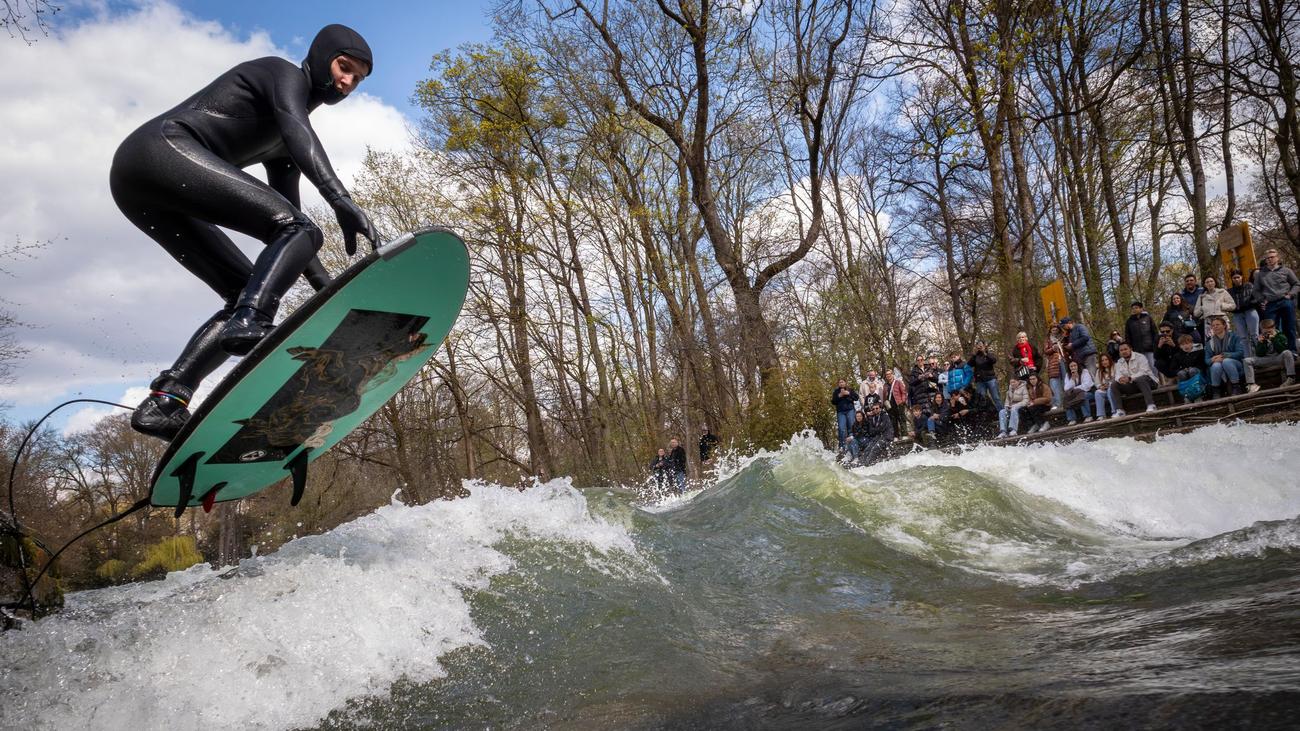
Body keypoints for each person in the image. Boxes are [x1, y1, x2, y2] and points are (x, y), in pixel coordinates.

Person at [113, 24, 378, 440]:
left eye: (357, 80)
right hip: (157, 151)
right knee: (292, 240)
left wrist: (328, 292)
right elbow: (297, 128)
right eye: (344, 67)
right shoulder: (281, 73)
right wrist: (341, 200)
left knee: (246, 287)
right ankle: (251, 322)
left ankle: (167, 400)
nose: (347, 82)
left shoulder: (286, 143)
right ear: (321, 56)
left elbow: (289, 221)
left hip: (141, 190)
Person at [1254, 249, 1300, 352]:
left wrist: (1291, 294)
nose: (1270, 259)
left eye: (1272, 257)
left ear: (1277, 258)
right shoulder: (1260, 274)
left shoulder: (1286, 270)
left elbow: (1296, 284)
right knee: (1270, 330)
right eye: (1267, 258)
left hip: (1285, 301)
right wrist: (1262, 300)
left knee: (1289, 327)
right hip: (1270, 304)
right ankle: (1279, 351)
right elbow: (1256, 291)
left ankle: (1292, 351)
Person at [1245, 318, 1297, 393]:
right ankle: (1251, 384)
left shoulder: (1280, 335)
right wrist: (1261, 343)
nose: (1267, 333)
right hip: (1266, 359)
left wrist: (1274, 339)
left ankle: (1291, 377)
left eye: (1269, 331)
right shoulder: (1261, 338)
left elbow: (1282, 350)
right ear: (1262, 330)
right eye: (1265, 331)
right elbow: (1259, 354)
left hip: (1278, 358)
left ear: (1273, 328)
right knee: (1247, 360)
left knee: (1288, 352)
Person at [1109, 342, 1158, 416]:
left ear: (1130, 349)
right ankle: (1120, 411)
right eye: (1121, 350)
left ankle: (1151, 405)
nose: (1124, 351)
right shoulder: (1119, 362)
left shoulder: (1140, 357)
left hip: (1149, 383)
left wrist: (1130, 378)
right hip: (1133, 386)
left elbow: (1144, 371)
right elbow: (1117, 375)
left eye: (1125, 349)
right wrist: (1120, 379)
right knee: (1114, 384)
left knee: (1140, 378)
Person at [1204, 316, 1245, 397]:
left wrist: (1225, 356)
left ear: (1224, 325)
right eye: (1213, 325)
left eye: (1217, 324)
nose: (1215, 327)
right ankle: (1216, 391)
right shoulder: (1210, 342)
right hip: (1218, 366)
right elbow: (1207, 360)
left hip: (1235, 364)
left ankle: (1236, 387)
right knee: (1215, 365)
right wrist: (1213, 359)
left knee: (1226, 361)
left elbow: (1240, 353)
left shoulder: (1234, 337)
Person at [1061, 316, 1100, 385]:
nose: (1063, 327)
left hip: (1088, 354)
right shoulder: (1070, 333)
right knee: (1085, 377)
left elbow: (1085, 337)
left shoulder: (1080, 327)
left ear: (1069, 323)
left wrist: (1073, 344)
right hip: (1080, 357)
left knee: (1092, 374)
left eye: (1064, 325)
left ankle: (1098, 390)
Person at [1170, 334, 1209, 404]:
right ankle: (1187, 396)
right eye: (1182, 344)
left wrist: (1194, 367)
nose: (1185, 346)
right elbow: (1173, 369)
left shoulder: (1199, 352)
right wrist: (1181, 369)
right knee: (1181, 373)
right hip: (1185, 374)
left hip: (1198, 373)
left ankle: (1198, 395)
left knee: (1192, 371)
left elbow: (1203, 364)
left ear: (1192, 343)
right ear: (1180, 346)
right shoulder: (1177, 355)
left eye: (1187, 343)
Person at [1227, 269, 1262, 345]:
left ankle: (1260, 353)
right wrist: (1233, 308)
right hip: (1237, 314)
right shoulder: (1229, 291)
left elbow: (1257, 298)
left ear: (1241, 277)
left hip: (1250, 311)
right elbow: (1227, 304)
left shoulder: (1249, 286)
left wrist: (1248, 304)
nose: (1236, 279)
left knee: (1255, 335)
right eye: (1234, 278)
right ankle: (1247, 356)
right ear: (1232, 279)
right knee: (1243, 337)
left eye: (1238, 277)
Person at [1125, 301, 1159, 372]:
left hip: (1149, 348)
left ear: (1141, 309)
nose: (1134, 310)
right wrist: (1130, 348)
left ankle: (1156, 381)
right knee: (1141, 368)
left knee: (1152, 366)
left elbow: (1155, 332)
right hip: (1136, 349)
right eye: (1133, 308)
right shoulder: (1129, 321)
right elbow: (1127, 336)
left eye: (1136, 308)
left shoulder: (1148, 318)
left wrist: (1155, 344)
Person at [968, 341, 1001, 410]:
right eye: (978, 345)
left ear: (984, 346)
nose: (979, 347)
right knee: (982, 399)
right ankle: (988, 416)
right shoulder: (975, 356)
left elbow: (993, 360)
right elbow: (969, 364)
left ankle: (1002, 414)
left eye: (981, 345)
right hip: (980, 381)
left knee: (996, 397)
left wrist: (985, 353)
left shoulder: (989, 354)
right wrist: (974, 354)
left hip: (990, 379)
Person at [1060, 360, 1094, 425]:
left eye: (1074, 365)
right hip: (1075, 394)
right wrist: (1072, 379)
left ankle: (1088, 416)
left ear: (1078, 365)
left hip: (1089, 392)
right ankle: (1072, 418)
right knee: (1066, 397)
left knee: (1083, 395)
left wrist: (1074, 389)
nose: (1073, 367)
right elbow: (1066, 388)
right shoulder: (1068, 375)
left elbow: (1087, 385)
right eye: (1071, 366)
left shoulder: (1084, 372)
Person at [830, 379, 859, 451]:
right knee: (841, 429)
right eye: (840, 382)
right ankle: (842, 446)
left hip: (850, 410)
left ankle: (852, 445)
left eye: (842, 382)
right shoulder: (836, 391)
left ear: (845, 383)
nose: (841, 383)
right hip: (841, 412)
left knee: (851, 427)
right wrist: (839, 396)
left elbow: (856, 398)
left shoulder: (850, 390)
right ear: (838, 384)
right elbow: (833, 402)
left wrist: (849, 393)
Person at [1043, 325, 1067, 409]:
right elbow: (1045, 351)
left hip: (1064, 361)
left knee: (1066, 381)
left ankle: (1067, 402)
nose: (1055, 331)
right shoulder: (1048, 340)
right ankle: (1057, 403)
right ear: (1050, 331)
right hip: (1053, 363)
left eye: (1056, 330)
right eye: (1053, 330)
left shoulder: (1063, 338)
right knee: (1055, 383)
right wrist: (1053, 348)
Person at [885, 368, 910, 440]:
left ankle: (904, 434)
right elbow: (884, 396)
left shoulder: (898, 382)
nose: (888, 376)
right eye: (887, 375)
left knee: (902, 419)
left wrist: (902, 401)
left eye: (889, 374)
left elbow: (904, 392)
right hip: (890, 405)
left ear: (892, 375)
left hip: (899, 403)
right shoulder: (885, 385)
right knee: (893, 421)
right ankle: (896, 435)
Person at [1094, 353, 1117, 419]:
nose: (1104, 362)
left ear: (1109, 360)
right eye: (1102, 360)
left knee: (1110, 389)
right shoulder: (1099, 371)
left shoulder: (1115, 367)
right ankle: (1101, 414)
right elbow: (1097, 383)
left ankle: (1114, 411)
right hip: (1105, 390)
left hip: (1115, 389)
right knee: (1097, 392)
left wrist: (1109, 385)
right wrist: (1100, 387)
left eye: (1106, 360)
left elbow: (1118, 378)